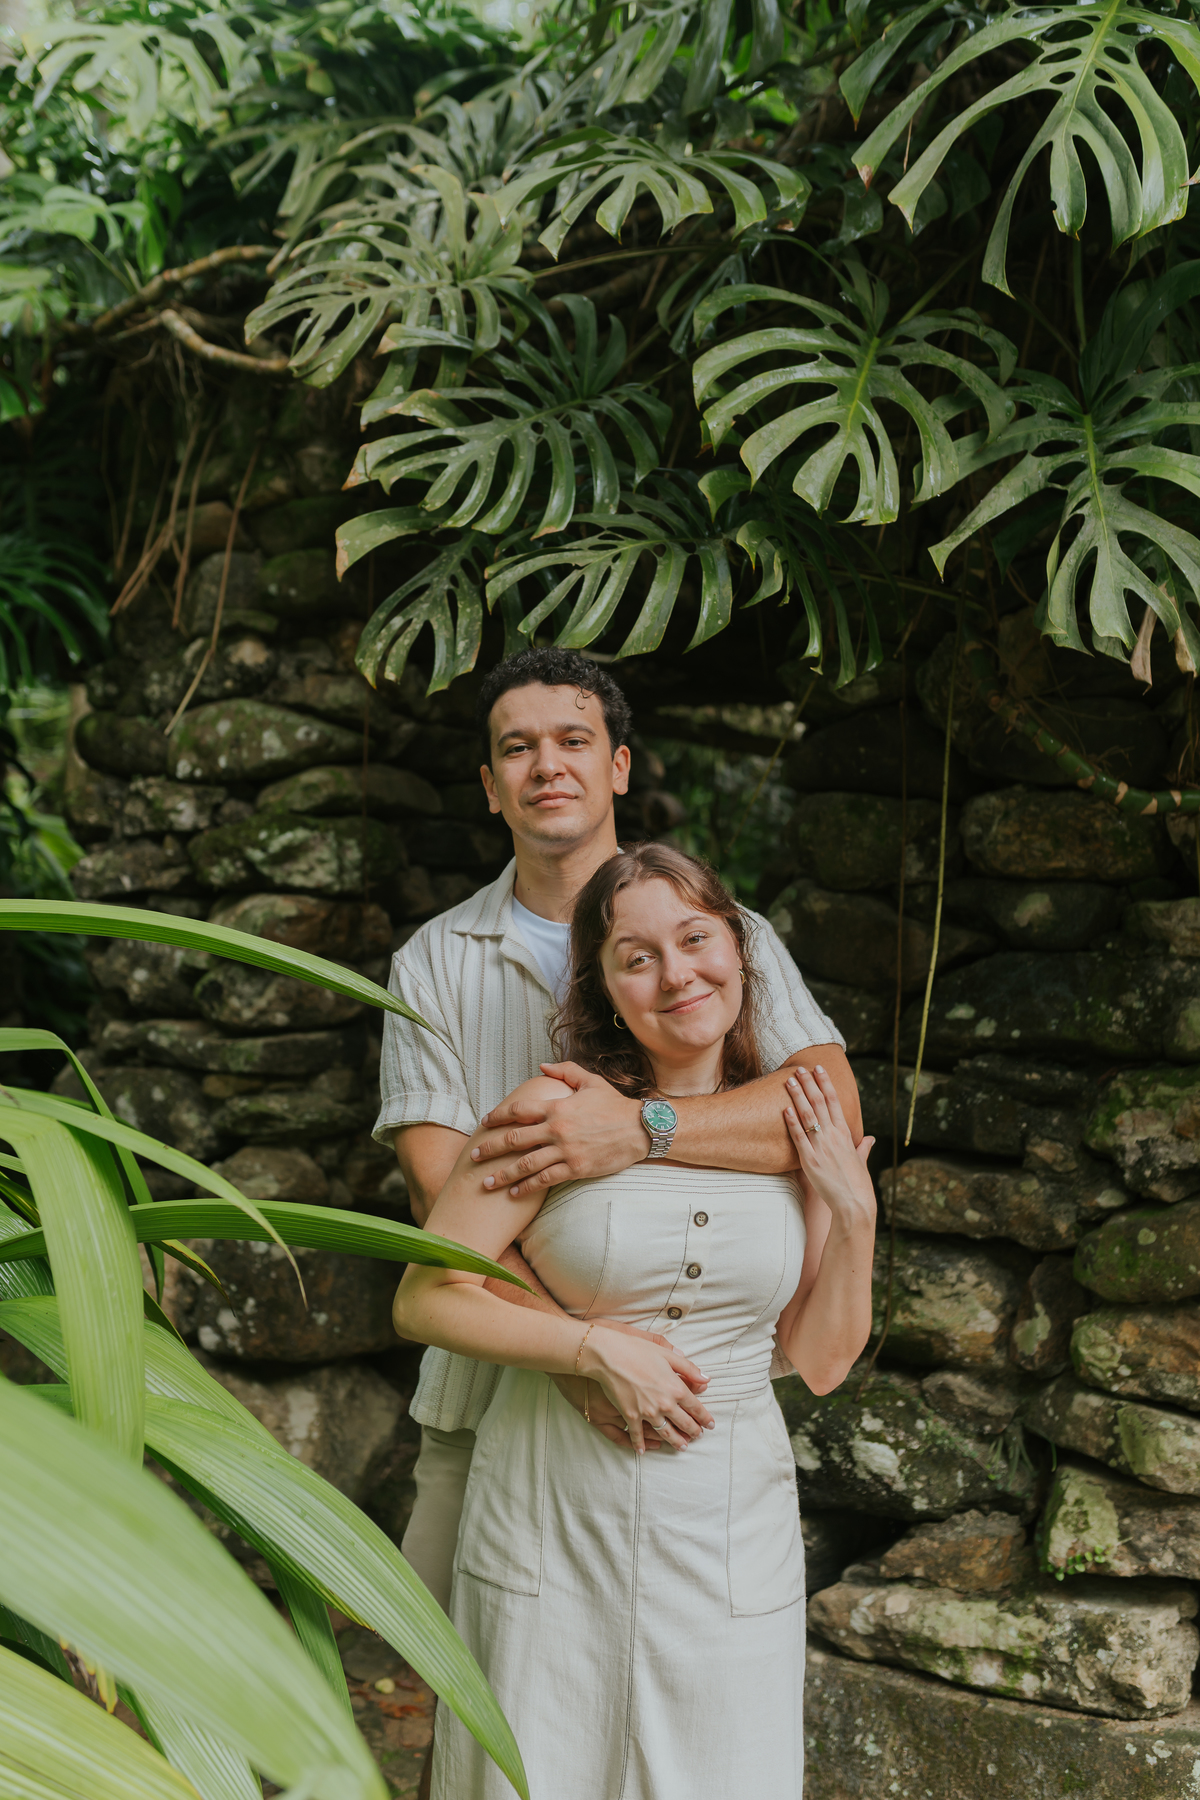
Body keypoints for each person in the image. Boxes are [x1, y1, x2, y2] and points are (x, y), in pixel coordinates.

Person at [372, 645, 861, 1628]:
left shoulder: (731, 938)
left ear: (619, 766)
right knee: (464, 1677)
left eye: (573, 740)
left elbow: (830, 1119)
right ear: (490, 786)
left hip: (697, 1400)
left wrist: (638, 1130)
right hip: (489, 1383)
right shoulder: (431, 963)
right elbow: (437, 1200)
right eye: (517, 748)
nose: (546, 764)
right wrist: (577, 1352)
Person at [393, 843, 877, 1800]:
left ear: (742, 953)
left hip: (730, 1524)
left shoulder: (800, 1131)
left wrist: (854, 1213)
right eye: (636, 956)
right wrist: (587, 1348)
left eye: (696, 940)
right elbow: (425, 1296)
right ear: (605, 988)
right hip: (549, 1503)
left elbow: (819, 1360)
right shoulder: (550, 1110)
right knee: (530, 1771)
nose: (676, 974)